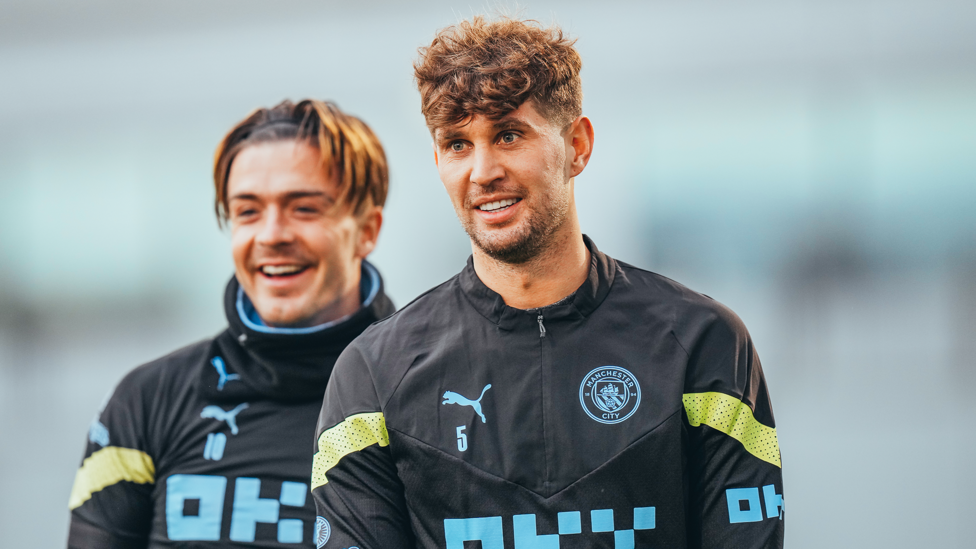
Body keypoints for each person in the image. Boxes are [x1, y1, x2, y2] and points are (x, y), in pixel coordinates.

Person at [310, 16, 785, 549]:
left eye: (509, 135)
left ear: (577, 145)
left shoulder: (703, 343)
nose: (482, 171)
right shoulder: (372, 373)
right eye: (458, 144)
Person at [67, 99, 395, 548]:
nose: (272, 235)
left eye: (304, 208)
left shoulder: (426, 391)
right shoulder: (146, 400)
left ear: (367, 231)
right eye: (247, 211)